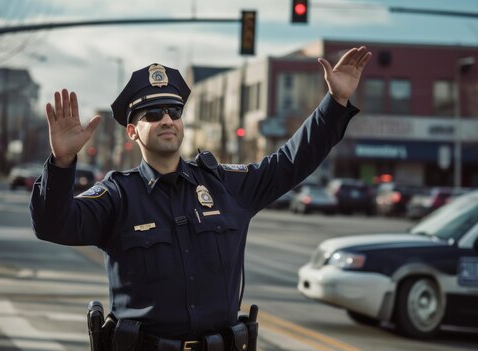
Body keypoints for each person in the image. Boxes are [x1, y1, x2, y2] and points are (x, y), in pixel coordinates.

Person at [30, 46, 372, 350]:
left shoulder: (225, 185)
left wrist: (335, 103)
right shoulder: (118, 196)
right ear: (132, 132)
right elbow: (53, 225)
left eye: (174, 112)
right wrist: (62, 163)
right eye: (152, 114)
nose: (167, 119)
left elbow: (289, 163)